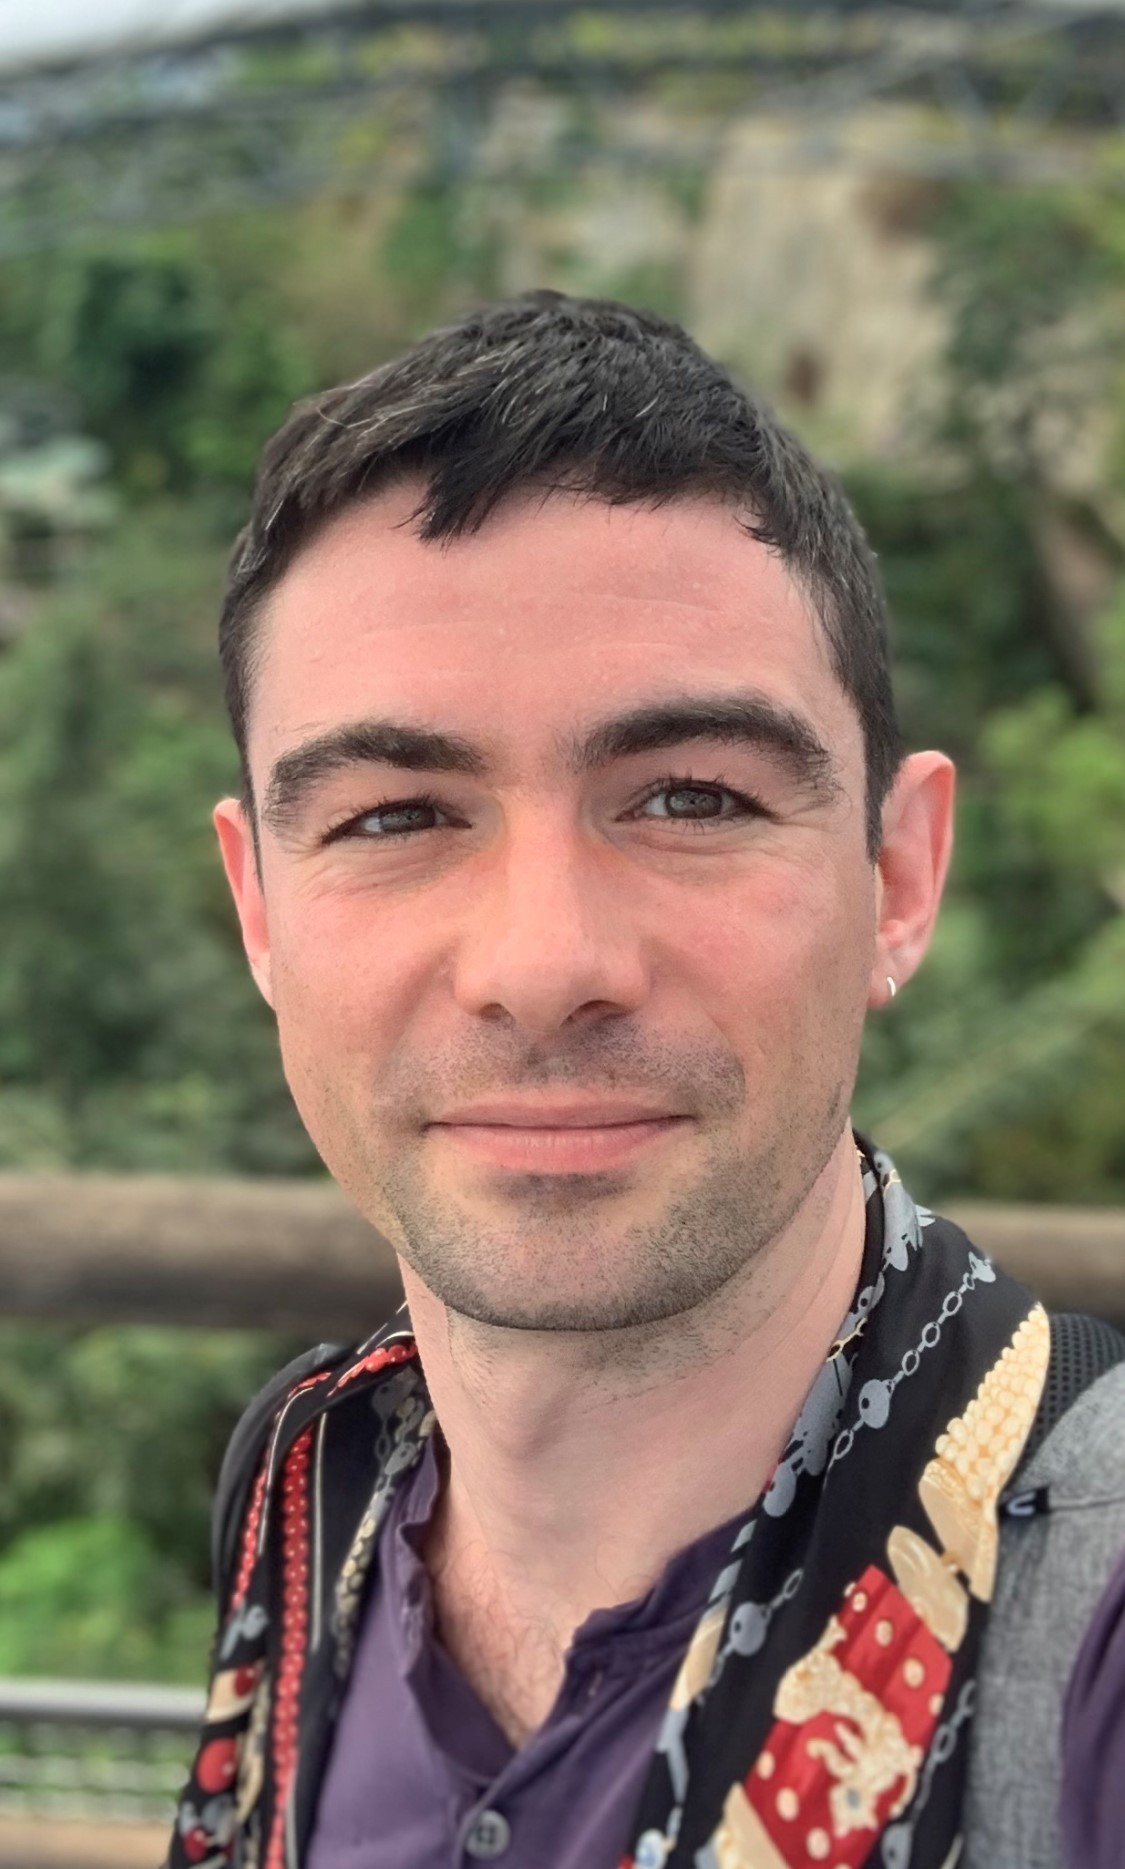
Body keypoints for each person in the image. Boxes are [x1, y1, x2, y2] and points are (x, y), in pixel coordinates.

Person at [168, 292, 1125, 1869]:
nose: (541, 962)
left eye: (688, 795)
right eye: (396, 816)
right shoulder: (310, 1478)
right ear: (258, 905)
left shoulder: (1086, 1611)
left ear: (896, 876)